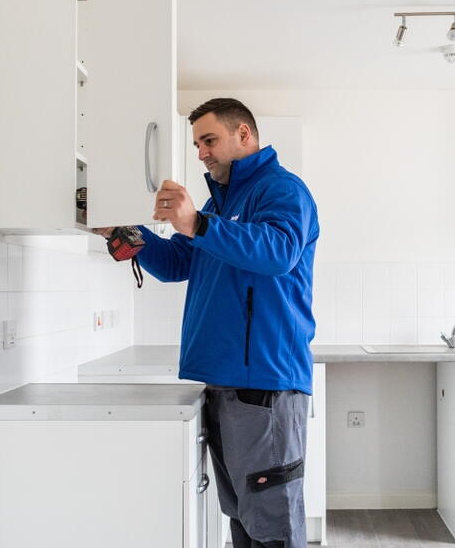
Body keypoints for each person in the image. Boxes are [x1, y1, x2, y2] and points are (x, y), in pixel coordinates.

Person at [106, 98, 319, 548]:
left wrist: (199, 224)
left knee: (272, 530)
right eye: (198, 143)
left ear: (243, 134)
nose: (201, 152)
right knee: (242, 522)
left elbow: (279, 252)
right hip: (223, 385)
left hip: (265, 386)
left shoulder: (281, 189)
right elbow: (176, 263)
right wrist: (120, 232)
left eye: (209, 140)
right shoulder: (220, 204)